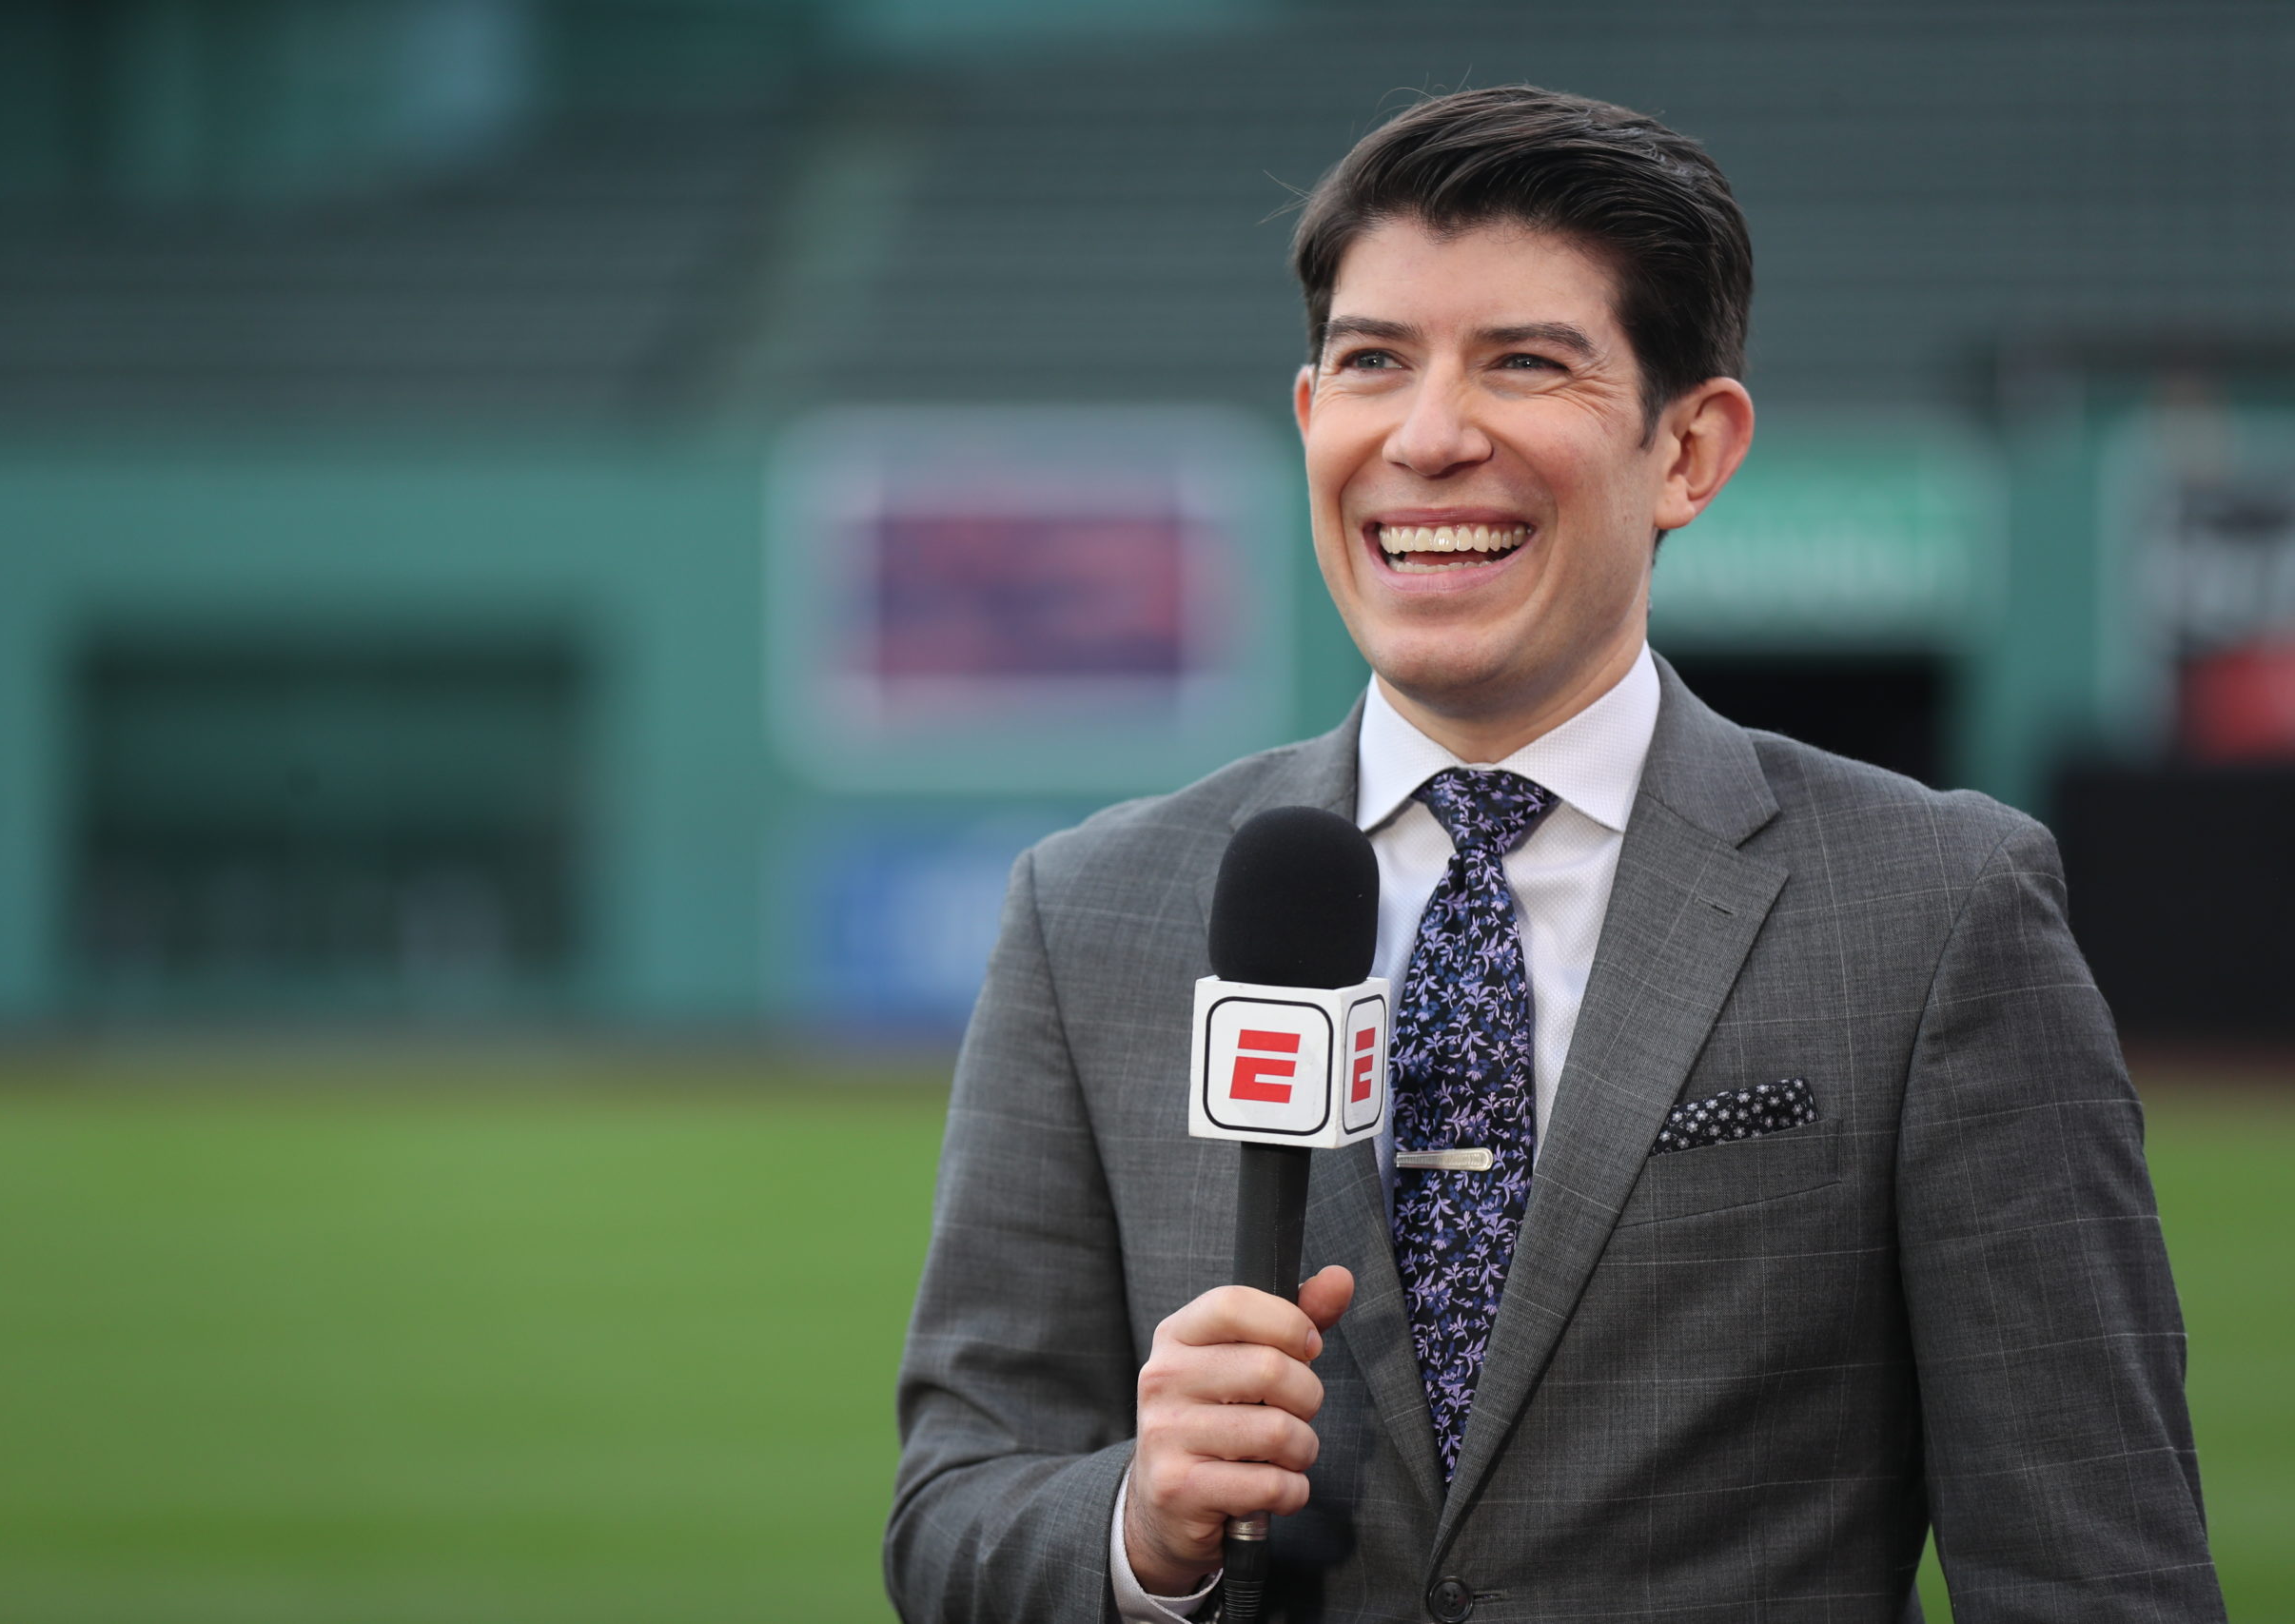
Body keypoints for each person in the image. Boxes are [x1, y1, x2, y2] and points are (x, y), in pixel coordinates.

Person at [886, 86, 2222, 1623]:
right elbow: (952, 1516)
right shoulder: (1092, 912)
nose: (1429, 436)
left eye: (1525, 362)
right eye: (1375, 361)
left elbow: (2094, 1573)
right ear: (1312, 418)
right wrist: (1139, 1524)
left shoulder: (1937, 910)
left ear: (1690, 450)